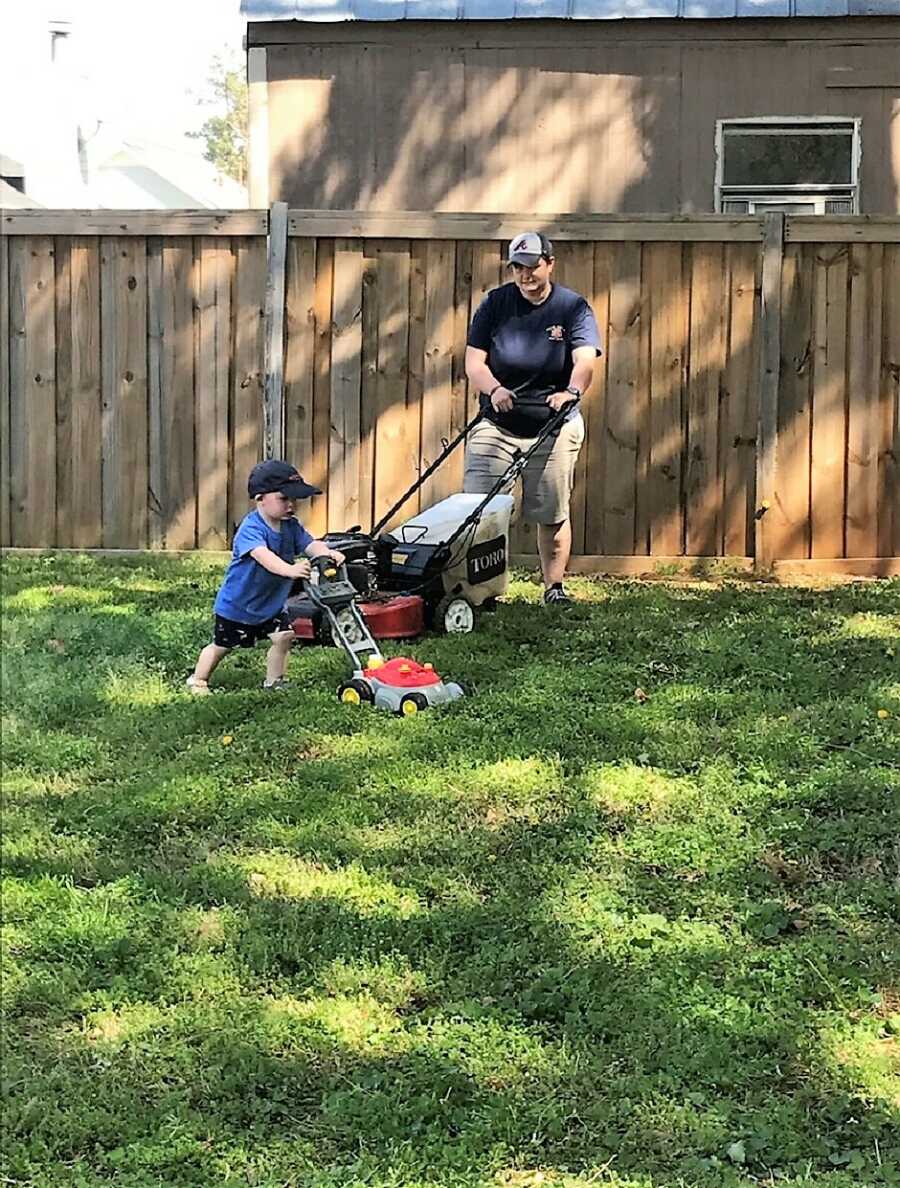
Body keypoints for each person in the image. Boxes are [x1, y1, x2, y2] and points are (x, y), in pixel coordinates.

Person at [464, 230, 601, 606]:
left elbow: (585, 360)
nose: (525, 275)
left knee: (551, 511)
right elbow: (474, 362)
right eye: (517, 268)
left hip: (554, 426)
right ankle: (481, 592)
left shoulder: (573, 308)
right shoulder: (495, 304)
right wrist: (495, 389)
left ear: (549, 264)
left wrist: (571, 393)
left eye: (532, 267)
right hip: (497, 424)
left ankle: (553, 587)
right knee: (480, 511)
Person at [186, 460, 345, 694]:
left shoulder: (291, 526)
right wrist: (290, 570)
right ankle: (198, 680)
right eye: (284, 499)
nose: (291, 505)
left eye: (294, 500)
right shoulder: (251, 528)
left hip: (270, 604)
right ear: (260, 498)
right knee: (222, 646)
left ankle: (274, 681)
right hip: (239, 606)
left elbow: (310, 544)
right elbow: (264, 556)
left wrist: (327, 552)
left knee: (284, 636)